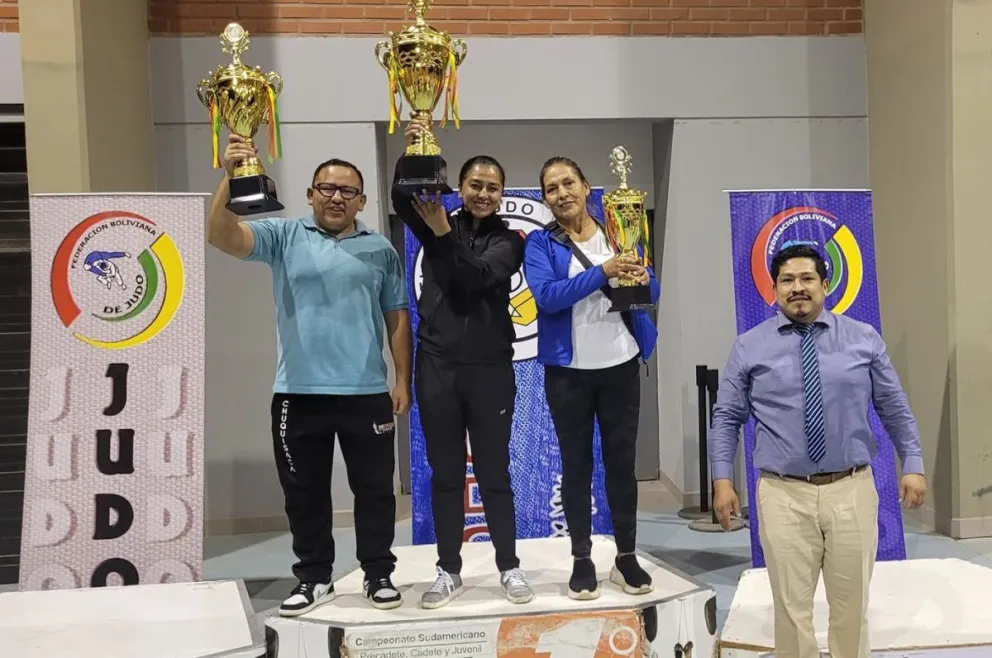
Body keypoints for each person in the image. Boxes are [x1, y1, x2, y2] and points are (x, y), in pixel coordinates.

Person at [207, 134, 413, 617]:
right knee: (304, 494)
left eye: (347, 191)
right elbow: (221, 235)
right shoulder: (283, 237)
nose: (336, 197)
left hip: (365, 393)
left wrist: (402, 379)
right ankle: (313, 577)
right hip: (296, 394)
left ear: (362, 200)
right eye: (326, 188)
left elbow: (397, 316)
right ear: (310, 193)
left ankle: (378, 573)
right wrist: (230, 177)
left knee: (375, 491)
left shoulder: (380, 249)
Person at [709, 244, 928, 658]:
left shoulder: (863, 339)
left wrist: (912, 462)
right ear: (773, 290)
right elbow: (726, 418)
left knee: (851, 609)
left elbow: (894, 407)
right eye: (787, 280)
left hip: (851, 489)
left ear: (825, 285)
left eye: (807, 279)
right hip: (782, 494)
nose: (798, 288)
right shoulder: (749, 347)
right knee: (791, 612)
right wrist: (723, 479)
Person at [391, 114, 532, 609]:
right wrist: (413, 155)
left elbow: (478, 279)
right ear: (461, 186)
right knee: (445, 473)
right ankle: (448, 570)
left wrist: (442, 235)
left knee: (494, 473)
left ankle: (509, 568)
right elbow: (399, 198)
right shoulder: (435, 221)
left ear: (502, 194)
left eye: (493, 187)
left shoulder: (511, 241)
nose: (484, 194)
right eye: (475, 184)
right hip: (438, 368)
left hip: (491, 371)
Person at [522, 156, 660, 600]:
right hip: (569, 372)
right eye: (550, 188)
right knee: (576, 466)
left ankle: (625, 556)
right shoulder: (541, 245)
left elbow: (652, 291)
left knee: (622, 465)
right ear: (545, 198)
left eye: (568, 183)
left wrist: (638, 274)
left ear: (586, 186)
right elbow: (546, 298)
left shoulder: (619, 232)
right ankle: (581, 558)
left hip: (620, 364)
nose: (561, 193)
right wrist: (603, 271)